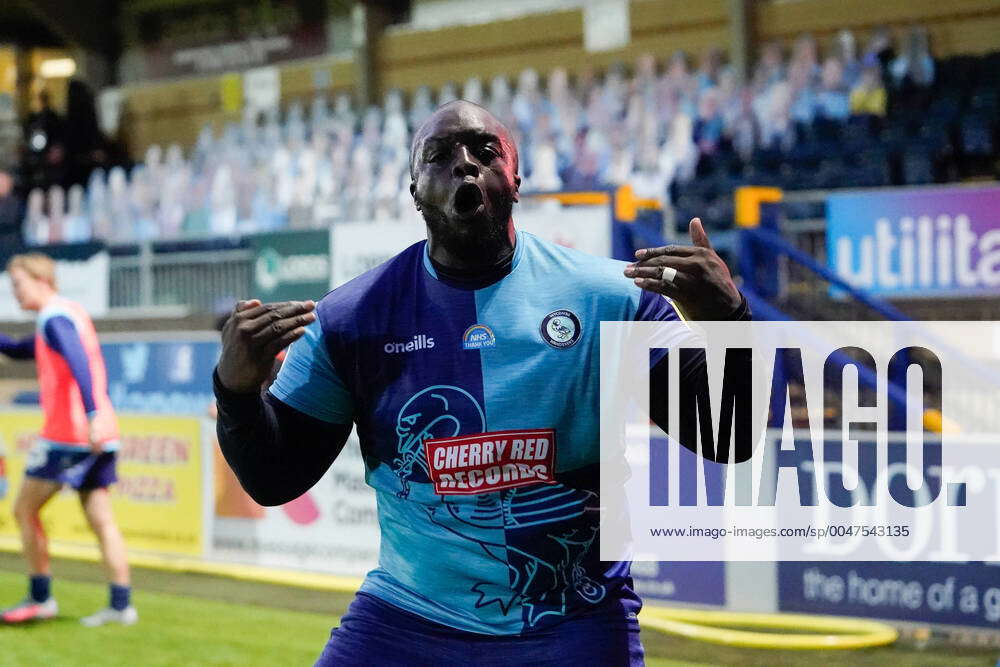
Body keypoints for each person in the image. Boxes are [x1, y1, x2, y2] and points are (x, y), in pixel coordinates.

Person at [213, 100, 750, 665]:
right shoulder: (351, 319)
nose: (465, 165)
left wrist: (730, 322)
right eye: (439, 156)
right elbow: (273, 479)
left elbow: (728, 438)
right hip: (407, 619)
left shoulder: (613, 299)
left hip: (574, 619)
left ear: (516, 180)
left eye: (485, 152)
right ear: (415, 188)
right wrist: (236, 392)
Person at [0, 253, 136, 626]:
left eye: (18, 284)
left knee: (24, 510)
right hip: (102, 434)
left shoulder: (53, 318)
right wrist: (97, 419)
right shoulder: (69, 313)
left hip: (70, 435)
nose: (14, 292)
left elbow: (77, 362)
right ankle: (121, 605)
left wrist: (90, 415)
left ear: (42, 279)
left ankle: (41, 598)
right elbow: (16, 349)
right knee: (102, 520)